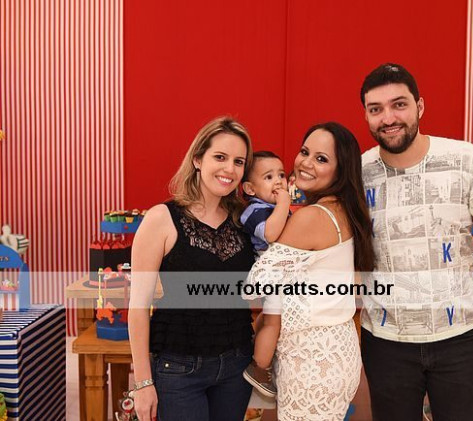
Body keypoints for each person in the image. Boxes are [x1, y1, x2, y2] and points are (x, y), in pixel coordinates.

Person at [359, 63, 473, 420]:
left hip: (459, 338)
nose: (388, 118)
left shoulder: (465, 158)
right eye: (376, 109)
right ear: (366, 116)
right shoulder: (359, 172)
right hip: (386, 342)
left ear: (419, 106)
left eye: (399, 104)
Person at [245, 122, 375, 420]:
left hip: (312, 361)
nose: (306, 163)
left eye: (321, 159)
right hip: (336, 350)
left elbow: (256, 284)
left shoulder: (311, 217)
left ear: (341, 171)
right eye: (305, 152)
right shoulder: (343, 209)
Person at [128, 117, 256, 421]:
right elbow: (137, 307)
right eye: (220, 157)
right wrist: (143, 383)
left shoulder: (246, 220)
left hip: (236, 366)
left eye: (238, 162)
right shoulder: (161, 218)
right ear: (198, 159)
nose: (229, 169)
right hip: (178, 370)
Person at [239, 150, 291, 397]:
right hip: (270, 272)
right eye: (269, 177)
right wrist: (284, 204)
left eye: (281, 175)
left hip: (280, 271)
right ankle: (259, 368)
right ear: (250, 188)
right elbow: (270, 234)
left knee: (268, 317)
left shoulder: (271, 206)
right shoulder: (255, 210)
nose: (278, 181)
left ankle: (255, 342)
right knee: (273, 322)